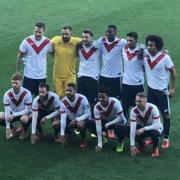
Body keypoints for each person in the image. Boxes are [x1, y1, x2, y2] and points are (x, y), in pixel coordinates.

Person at [144, 35, 176, 149]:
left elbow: (173, 71)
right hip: (151, 91)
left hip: (162, 91)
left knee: (165, 115)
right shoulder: (145, 55)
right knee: (150, 115)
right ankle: (151, 138)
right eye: (147, 45)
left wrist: (172, 88)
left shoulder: (165, 58)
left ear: (157, 47)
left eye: (151, 45)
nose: (148, 47)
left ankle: (166, 138)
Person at [16, 22, 53, 97]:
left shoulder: (48, 43)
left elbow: (53, 54)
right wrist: (17, 71)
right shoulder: (27, 41)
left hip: (41, 76)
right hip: (28, 76)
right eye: (36, 31)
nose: (38, 34)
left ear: (44, 31)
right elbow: (19, 56)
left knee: (40, 99)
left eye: (40, 32)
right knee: (26, 98)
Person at [90, 87, 127, 152]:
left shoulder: (115, 102)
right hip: (106, 122)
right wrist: (99, 144)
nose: (101, 99)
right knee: (90, 123)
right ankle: (103, 138)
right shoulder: (96, 107)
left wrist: (107, 124)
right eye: (99, 97)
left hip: (118, 121)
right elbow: (98, 125)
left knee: (119, 128)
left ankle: (120, 142)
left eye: (103, 97)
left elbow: (121, 117)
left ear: (108, 96)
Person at [95, 25, 127, 99]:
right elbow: (94, 47)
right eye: (107, 31)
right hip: (103, 75)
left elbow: (134, 47)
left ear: (115, 32)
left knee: (115, 99)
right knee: (101, 97)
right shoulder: (101, 40)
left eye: (110, 32)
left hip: (116, 76)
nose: (108, 34)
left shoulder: (122, 42)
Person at [130, 92, 163, 157]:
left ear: (145, 101)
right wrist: (132, 145)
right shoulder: (133, 111)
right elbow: (132, 128)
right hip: (144, 129)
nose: (137, 103)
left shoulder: (153, 108)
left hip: (155, 129)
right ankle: (142, 144)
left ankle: (155, 148)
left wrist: (144, 129)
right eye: (136, 101)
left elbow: (158, 125)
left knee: (154, 133)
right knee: (128, 130)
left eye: (139, 101)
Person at [51, 25, 81, 98]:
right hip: (57, 75)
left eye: (67, 34)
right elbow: (47, 46)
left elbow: (85, 42)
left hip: (70, 75)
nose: (64, 36)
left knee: (70, 95)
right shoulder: (55, 40)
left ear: (71, 34)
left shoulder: (76, 41)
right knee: (59, 96)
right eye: (63, 34)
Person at [0, 72, 32, 139]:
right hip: (12, 113)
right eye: (13, 82)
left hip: (23, 113)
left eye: (16, 83)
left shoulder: (27, 93)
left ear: (21, 82)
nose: (14, 85)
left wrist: (14, 115)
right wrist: (8, 128)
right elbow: (7, 111)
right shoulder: (7, 94)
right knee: (0, 116)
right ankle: (13, 128)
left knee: (24, 119)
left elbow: (27, 110)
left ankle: (25, 131)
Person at [60, 83, 91, 148]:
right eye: (67, 90)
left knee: (80, 124)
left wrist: (76, 119)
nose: (68, 92)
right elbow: (62, 117)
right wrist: (62, 134)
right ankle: (70, 134)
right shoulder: (63, 101)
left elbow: (88, 114)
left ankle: (83, 139)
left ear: (75, 91)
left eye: (70, 91)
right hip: (70, 120)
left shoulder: (82, 98)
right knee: (57, 123)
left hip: (82, 120)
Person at [121, 32, 144, 118]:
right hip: (125, 83)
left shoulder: (142, 50)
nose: (128, 42)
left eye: (131, 40)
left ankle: (139, 126)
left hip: (138, 84)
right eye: (127, 40)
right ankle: (125, 126)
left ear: (136, 40)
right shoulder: (124, 49)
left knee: (139, 108)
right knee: (124, 107)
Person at [77, 29, 100, 111]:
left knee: (92, 102)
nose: (84, 39)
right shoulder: (79, 46)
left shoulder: (97, 47)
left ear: (91, 38)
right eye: (82, 37)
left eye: (86, 37)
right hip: (81, 76)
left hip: (92, 77)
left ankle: (93, 120)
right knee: (80, 101)